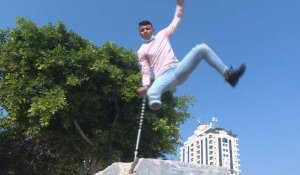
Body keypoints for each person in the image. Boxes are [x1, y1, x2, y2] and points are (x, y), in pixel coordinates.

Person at [137, 0, 246, 110]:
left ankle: (229, 75)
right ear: (139, 33)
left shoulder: (162, 35)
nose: (145, 31)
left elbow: (177, 19)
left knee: (202, 48)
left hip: (178, 69)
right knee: (151, 92)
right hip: (163, 77)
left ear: (152, 29)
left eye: (147, 28)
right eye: (142, 30)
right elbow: (145, 70)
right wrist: (145, 85)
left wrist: (180, 5)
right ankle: (155, 102)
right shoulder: (142, 50)